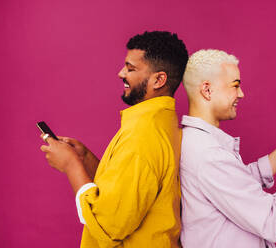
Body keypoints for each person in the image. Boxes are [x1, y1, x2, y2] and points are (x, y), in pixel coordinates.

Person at [40, 31, 188, 248]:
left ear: (159, 79)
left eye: (131, 68)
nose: (121, 73)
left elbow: (108, 226)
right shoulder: (162, 123)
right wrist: (86, 160)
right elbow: (131, 194)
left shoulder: (142, 135)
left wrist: (71, 166)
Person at [179, 49, 276, 248]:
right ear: (207, 90)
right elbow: (273, 222)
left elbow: (237, 182)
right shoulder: (209, 155)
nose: (241, 94)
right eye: (235, 86)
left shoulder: (197, 143)